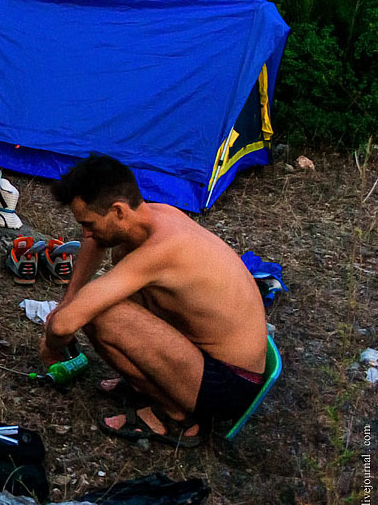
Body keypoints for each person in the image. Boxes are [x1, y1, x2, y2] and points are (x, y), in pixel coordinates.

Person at [41, 154, 267, 447]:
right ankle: (151, 381)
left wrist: (52, 346)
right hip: (210, 355)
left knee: (100, 314)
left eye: (89, 223)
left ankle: (175, 416)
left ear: (118, 211)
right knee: (106, 279)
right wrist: (67, 300)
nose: (86, 233)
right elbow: (94, 242)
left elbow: (63, 327)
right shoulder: (154, 216)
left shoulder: (161, 250)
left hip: (229, 383)